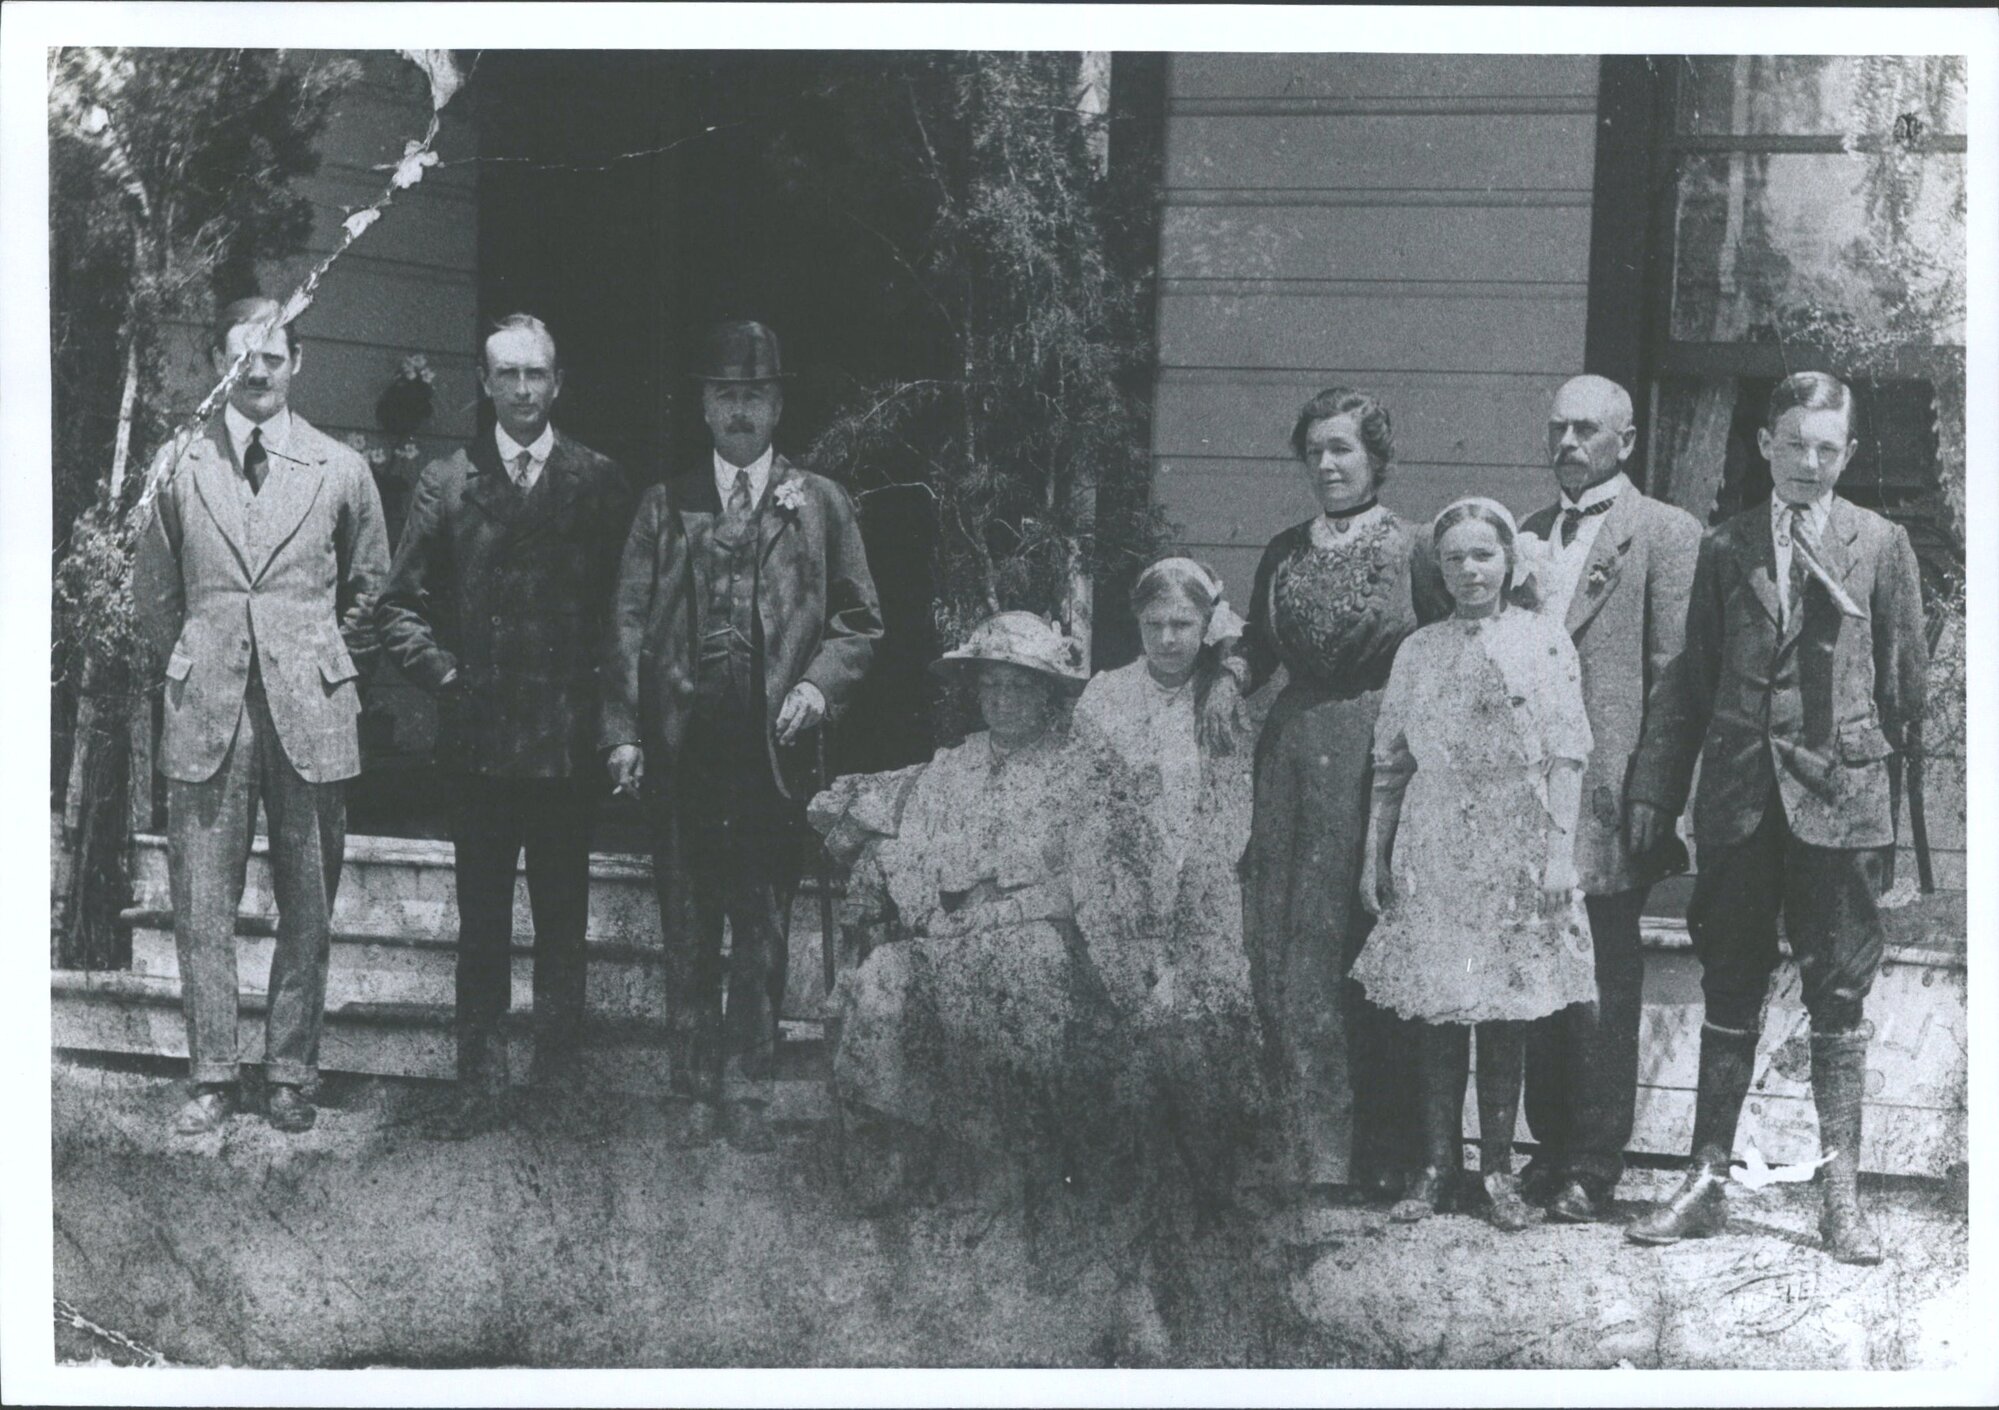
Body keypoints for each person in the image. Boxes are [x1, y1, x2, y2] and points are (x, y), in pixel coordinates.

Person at [1624, 372, 1927, 1265]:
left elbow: (1907, 684)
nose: (1807, 462)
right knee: (1728, 985)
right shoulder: (1723, 548)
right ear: (1762, 443)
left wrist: (1863, 759)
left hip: (1839, 804)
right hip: (1740, 802)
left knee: (1838, 998)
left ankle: (1841, 1197)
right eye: (1791, 443)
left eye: (1826, 448)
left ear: (1849, 454)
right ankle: (1706, 1180)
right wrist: (1662, 785)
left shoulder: (1880, 543)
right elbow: (1696, 680)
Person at [602, 319, 883, 1149]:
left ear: (777, 403)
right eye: (724, 395)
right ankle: (693, 1088)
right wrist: (623, 731)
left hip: (771, 755)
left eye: (753, 395)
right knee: (687, 924)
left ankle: (750, 1087)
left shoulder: (818, 503)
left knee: (761, 925)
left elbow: (859, 623)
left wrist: (816, 689)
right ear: (703, 405)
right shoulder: (665, 504)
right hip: (686, 750)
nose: (738, 411)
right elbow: (622, 627)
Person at [132, 296, 390, 1136]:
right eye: (243, 355)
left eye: (273, 356)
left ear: (297, 362)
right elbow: (154, 596)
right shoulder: (178, 466)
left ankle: (289, 1072)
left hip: (308, 709)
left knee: (307, 903)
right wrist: (196, 658)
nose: (258, 370)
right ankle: (212, 1072)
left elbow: (373, 587)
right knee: (201, 903)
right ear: (218, 361)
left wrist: (315, 648)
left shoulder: (339, 468)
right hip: (207, 704)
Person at [378, 314, 635, 1135]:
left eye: (537, 375)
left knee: (563, 923)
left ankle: (558, 1086)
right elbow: (399, 609)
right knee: (482, 924)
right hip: (480, 747)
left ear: (557, 384)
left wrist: (617, 724)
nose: (523, 390)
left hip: (562, 745)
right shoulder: (449, 482)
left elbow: (622, 621)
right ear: (483, 385)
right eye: (507, 376)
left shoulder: (598, 481)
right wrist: (448, 678)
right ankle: (477, 1085)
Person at [1211, 387, 1449, 1200]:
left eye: (1342, 448)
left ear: (1376, 458)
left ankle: (1390, 1150)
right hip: (1293, 758)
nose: (1327, 464)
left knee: (1370, 947)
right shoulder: (1283, 549)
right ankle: (1310, 1145)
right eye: (1314, 450)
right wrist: (1234, 675)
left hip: (1381, 760)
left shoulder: (1417, 548)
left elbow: (1449, 647)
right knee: (1292, 947)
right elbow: (1256, 641)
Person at [1354, 497, 1597, 1231]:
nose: (1468, 571)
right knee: (1435, 1008)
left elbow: (1567, 756)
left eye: (1482, 555)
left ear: (1508, 562)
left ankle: (1495, 1169)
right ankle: (1437, 1165)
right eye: (1454, 557)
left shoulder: (1542, 641)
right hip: (1432, 839)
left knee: (1501, 1011)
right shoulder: (1418, 650)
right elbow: (1389, 765)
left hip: (1513, 841)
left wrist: (1559, 855)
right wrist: (1374, 857)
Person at [1513, 375, 1702, 1222]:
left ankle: (1593, 1162)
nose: (1565, 444)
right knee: (1537, 974)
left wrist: (1653, 796)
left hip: (1606, 795)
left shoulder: (1664, 534)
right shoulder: (1518, 534)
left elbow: (1673, 680)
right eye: (1556, 429)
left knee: (1600, 978)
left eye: (1584, 430)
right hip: (1524, 795)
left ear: (1624, 441)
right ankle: (1545, 1150)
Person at [830, 612, 1102, 1184]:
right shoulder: (954, 764)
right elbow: (911, 850)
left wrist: (998, 914)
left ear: (1047, 692)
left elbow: (1082, 880)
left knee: (1009, 974)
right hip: (943, 928)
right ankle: (892, 1143)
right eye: (992, 686)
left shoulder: (1073, 771)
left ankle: (995, 1161)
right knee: (884, 973)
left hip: (1034, 933)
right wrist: (926, 910)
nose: (1003, 701)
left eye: (1020, 686)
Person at [1070, 558, 1263, 1361]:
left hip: (1203, 912)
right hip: (1115, 914)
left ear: (1206, 627)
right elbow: (1091, 830)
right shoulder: (1103, 699)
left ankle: (1202, 1238)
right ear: (1135, 625)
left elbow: (1227, 828)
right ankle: (1121, 1257)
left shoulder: (1221, 702)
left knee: (1205, 1034)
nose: (1169, 638)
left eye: (1185, 624)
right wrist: (1130, 947)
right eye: (1154, 624)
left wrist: (1188, 949)